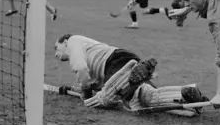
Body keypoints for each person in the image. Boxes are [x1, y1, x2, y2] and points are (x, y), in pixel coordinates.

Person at [54, 34, 207, 112]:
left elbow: (82, 70)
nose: (56, 54)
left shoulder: (73, 41)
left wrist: (86, 94)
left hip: (113, 63)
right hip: (122, 60)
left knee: (105, 99)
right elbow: (89, 81)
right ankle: (186, 95)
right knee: (147, 98)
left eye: (57, 47)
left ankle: (132, 76)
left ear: (65, 42)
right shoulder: (88, 48)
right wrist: (80, 88)